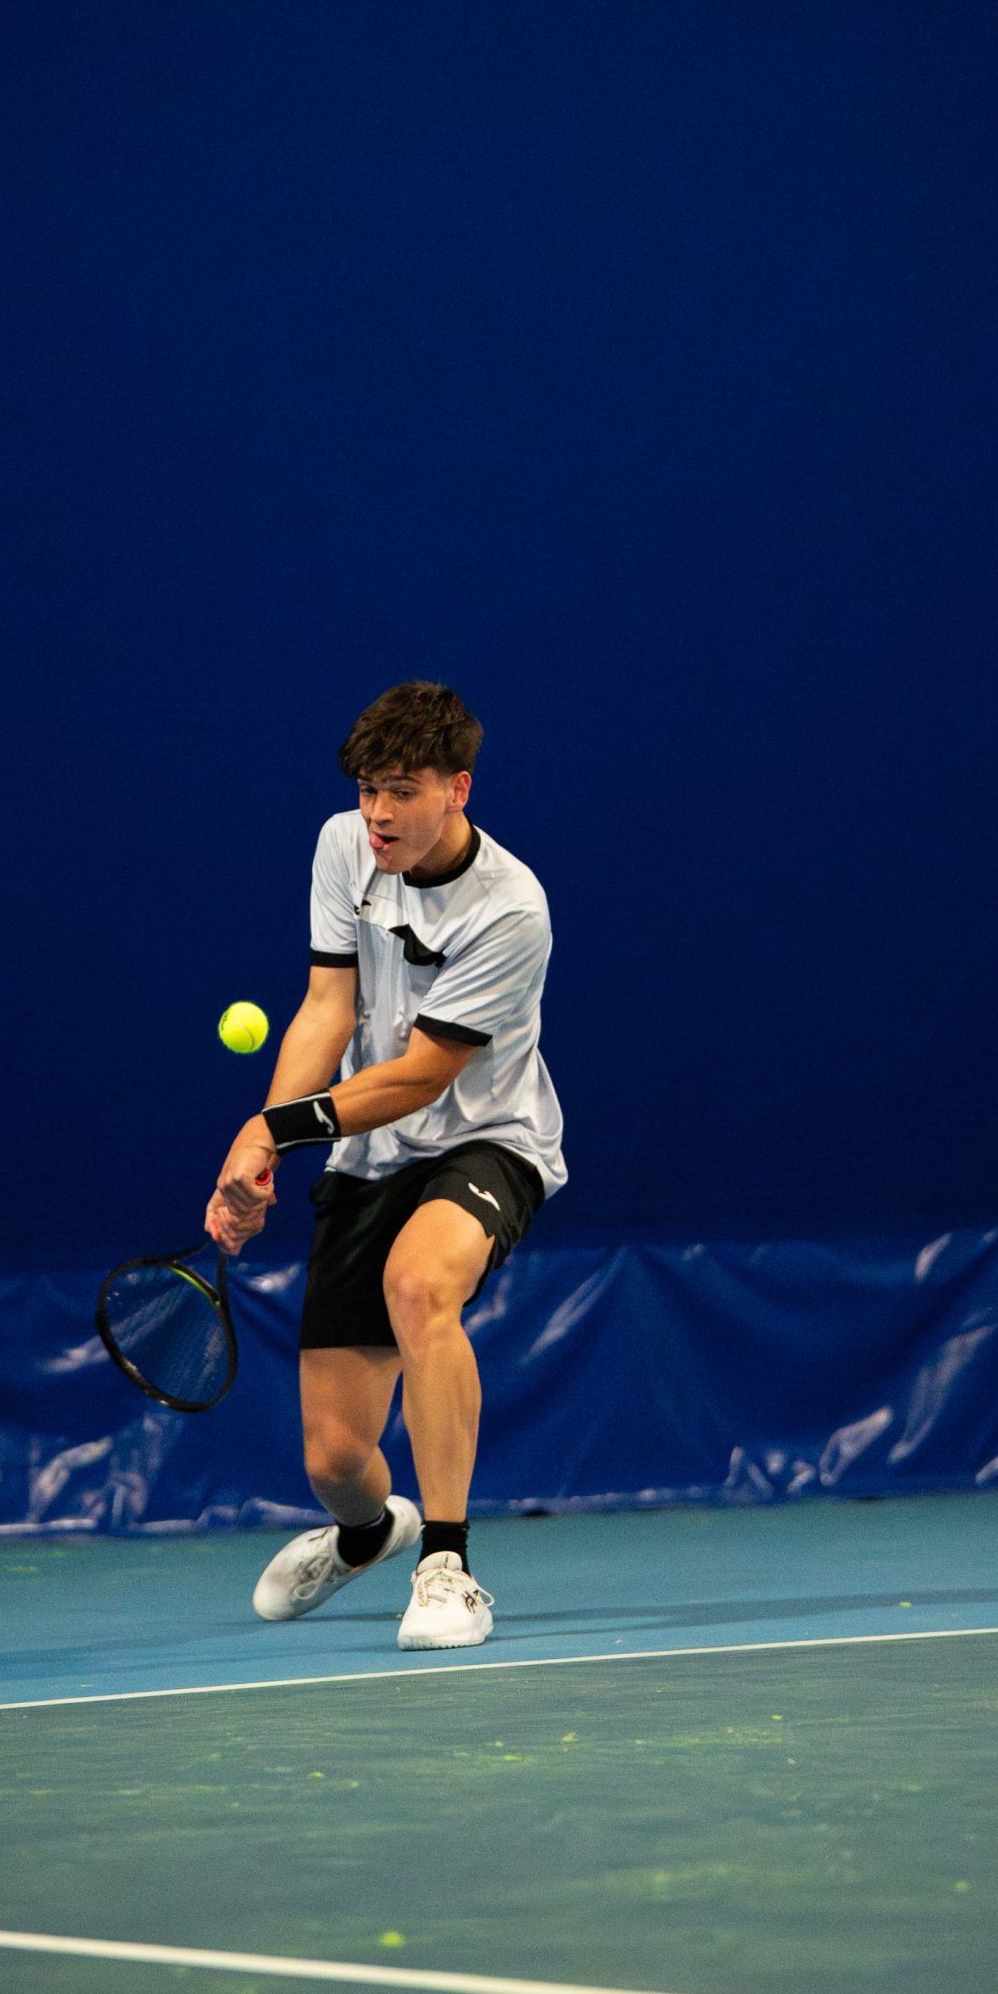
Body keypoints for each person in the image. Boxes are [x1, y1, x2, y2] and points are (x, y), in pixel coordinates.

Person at [207, 680, 565, 1650]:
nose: (378, 813)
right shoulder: (343, 849)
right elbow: (328, 1007)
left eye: (401, 790)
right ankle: (369, 1534)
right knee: (334, 1460)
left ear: (457, 788)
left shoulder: (511, 908)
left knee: (419, 1284)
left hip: (487, 1137)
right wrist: (267, 1138)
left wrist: (273, 1128)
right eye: (368, 789)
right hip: (369, 1152)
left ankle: (445, 1566)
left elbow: (419, 1077)